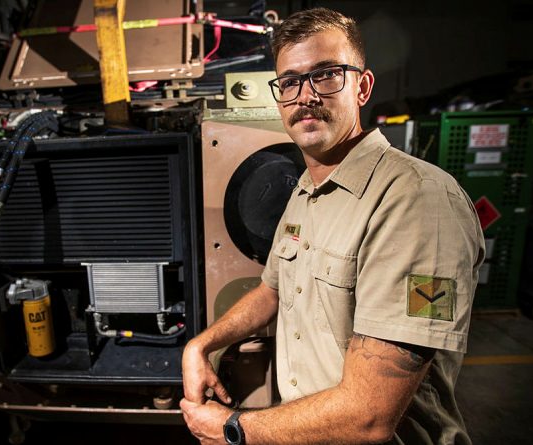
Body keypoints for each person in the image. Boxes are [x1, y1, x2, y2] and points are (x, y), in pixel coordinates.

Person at [180, 7, 485, 445]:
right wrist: (202, 344)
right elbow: (273, 289)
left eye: (326, 75)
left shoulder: (416, 200)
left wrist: (233, 429)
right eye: (289, 81)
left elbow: (369, 416)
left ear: (362, 86)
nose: (305, 95)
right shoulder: (307, 189)